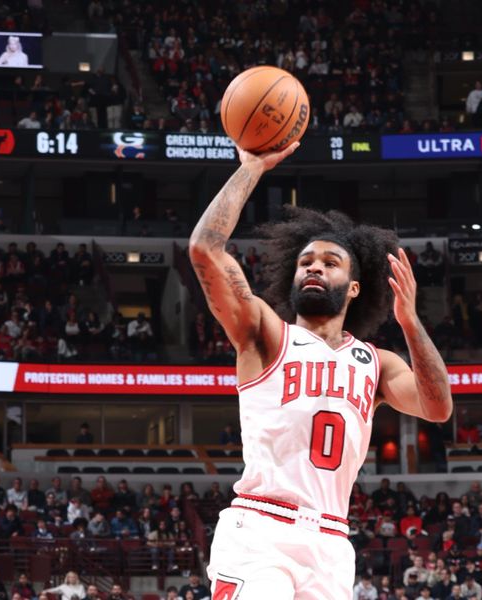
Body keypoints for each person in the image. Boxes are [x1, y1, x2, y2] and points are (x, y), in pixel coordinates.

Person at [190, 143, 452, 599]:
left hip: (330, 542)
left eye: (330, 263)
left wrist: (410, 323)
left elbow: (438, 407)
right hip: (261, 530)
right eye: (306, 262)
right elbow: (204, 249)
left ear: (354, 288)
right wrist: (250, 168)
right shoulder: (266, 334)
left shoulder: (376, 363)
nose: (314, 267)